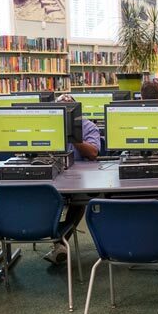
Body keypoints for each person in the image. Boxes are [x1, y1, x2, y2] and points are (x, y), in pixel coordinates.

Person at [45, 94, 101, 264]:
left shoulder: (88, 126)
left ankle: (60, 240)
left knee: (80, 200)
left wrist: (73, 136)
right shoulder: (46, 126)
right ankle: (51, 235)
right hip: (50, 177)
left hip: (77, 179)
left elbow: (93, 153)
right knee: (40, 195)